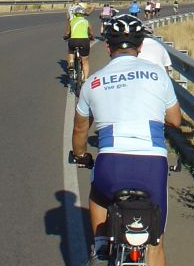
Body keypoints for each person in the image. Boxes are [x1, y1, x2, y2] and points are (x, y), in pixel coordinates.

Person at [72, 14, 182, 266]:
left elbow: (80, 131)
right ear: (140, 46)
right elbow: (175, 120)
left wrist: (80, 155)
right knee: (155, 242)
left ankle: (100, 243)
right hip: (152, 165)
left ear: (107, 47)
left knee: (98, 194)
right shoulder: (157, 75)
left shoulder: (93, 82)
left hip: (111, 163)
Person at [63, 5, 95, 83]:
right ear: (83, 14)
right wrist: (92, 37)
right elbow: (91, 32)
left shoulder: (72, 21)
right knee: (85, 61)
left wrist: (65, 36)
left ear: (75, 14)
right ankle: (86, 79)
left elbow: (67, 33)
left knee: (70, 51)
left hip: (73, 40)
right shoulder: (86, 21)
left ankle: (71, 63)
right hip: (84, 41)